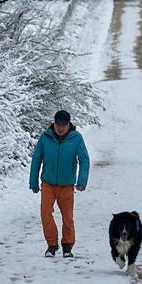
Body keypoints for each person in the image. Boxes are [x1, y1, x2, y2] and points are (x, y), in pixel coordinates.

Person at [29, 109, 90, 258]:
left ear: (69, 124)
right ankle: (52, 245)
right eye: (58, 124)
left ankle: (67, 246)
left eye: (64, 124)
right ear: (54, 123)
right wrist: (33, 182)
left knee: (67, 216)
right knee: (45, 214)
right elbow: (36, 159)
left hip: (67, 185)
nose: (60, 127)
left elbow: (84, 160)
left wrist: (82, 181)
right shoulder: (45, 138)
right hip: (48, 184)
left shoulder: (76, 138)